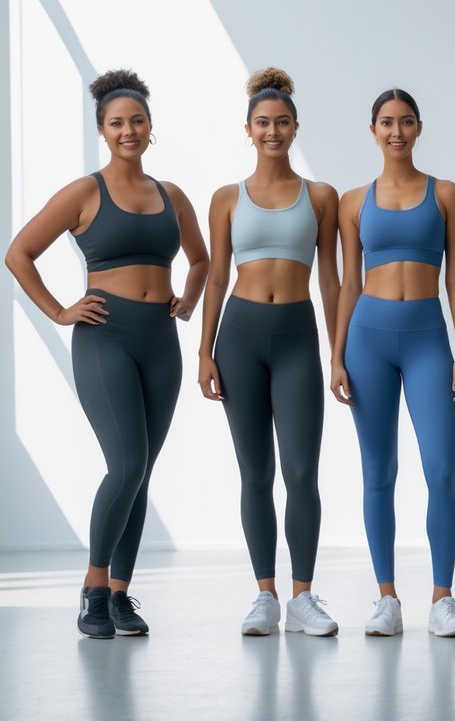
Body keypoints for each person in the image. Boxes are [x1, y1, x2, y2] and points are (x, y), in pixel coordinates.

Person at [5, 69, 208, 638]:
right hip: (105, 336)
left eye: (137, 120)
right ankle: (94, 590)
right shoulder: (84, 192)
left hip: (159, 342)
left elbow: (200, 259)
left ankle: (121, 595)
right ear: (103, 129)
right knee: (126, 463)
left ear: (150, 126)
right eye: (117, 122)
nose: (129, 130)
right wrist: (60, 311)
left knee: (141, 472)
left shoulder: (173, 196)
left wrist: (188, 300)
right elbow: (19, 252)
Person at [197, 68, 341, 636]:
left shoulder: (321, 196)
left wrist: (338, 353)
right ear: (248, 129)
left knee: (302, 472)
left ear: (295, 126)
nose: (273, 130)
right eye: (263, 123)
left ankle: (303, 596)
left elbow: (331, 282)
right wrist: (205, 352)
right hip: (240, 335)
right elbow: (212, 279)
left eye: (282, 122)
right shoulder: (226, 198)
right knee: (255, 473)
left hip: (298, 336)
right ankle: (265, 595)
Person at [330, 88, 455, 638]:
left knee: (441, 468)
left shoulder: (447, 195)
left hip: (427, 338)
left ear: (419, 128)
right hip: (367, 337)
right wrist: (337, 354)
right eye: (386, 122)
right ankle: (386, 597)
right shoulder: (351, 200)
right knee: (378, 473)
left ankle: (442, 597)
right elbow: (348, 282)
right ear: (373, 130)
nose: (396, 131)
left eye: (406, 122)